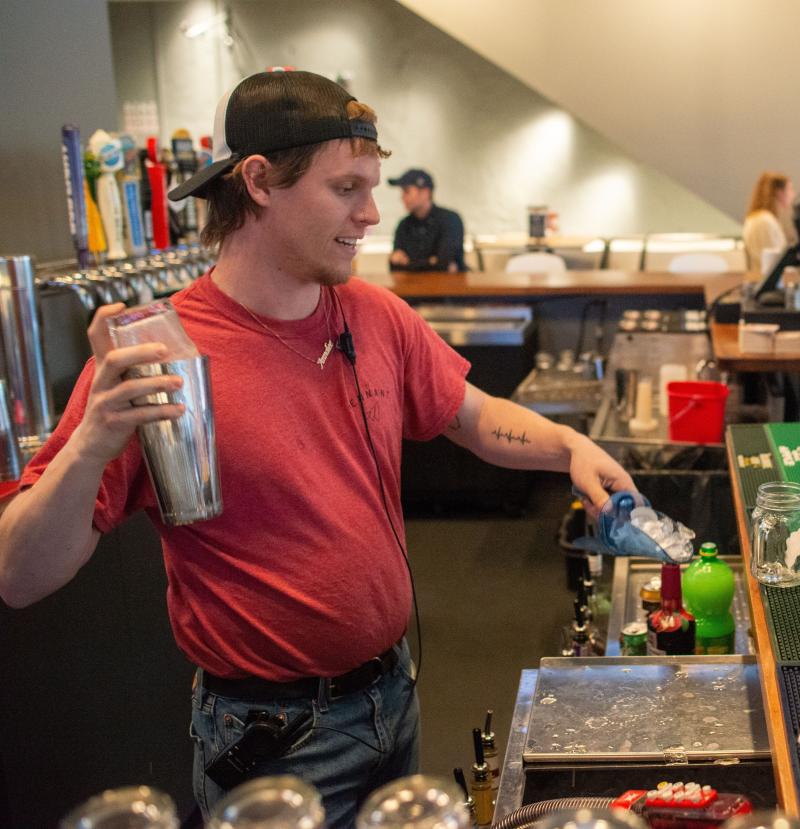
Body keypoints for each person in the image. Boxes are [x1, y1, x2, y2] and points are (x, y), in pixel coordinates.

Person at [0, 71, 635, 826]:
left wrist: (568, 446)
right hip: (271, 737)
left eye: (375, 187)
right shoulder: (158, 351)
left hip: (391, 698)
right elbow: (19, 574)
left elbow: (471, 415)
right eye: (346, 189)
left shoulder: (373, 313)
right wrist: (91, 445)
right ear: (260, 181)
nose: (372, 214)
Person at [388, 168, 466, 272]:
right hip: (412, 286)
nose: (402, 197)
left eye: (407, 191)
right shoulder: (403, 225)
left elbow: (443, 264)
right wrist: (430, 262)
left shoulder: (450, 220)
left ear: (425, 192)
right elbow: (395, 264)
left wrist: (408, 263)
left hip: (448, 287)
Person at [743, 171, 796, 271]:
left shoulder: (758, 218)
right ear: (779, 192)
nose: (793, 194)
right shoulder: (765, 221)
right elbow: (774, 263)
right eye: (790, 189)